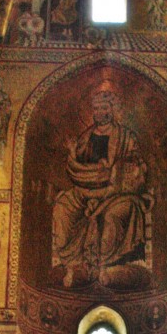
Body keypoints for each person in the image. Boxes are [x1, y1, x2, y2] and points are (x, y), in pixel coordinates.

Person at [52, 81, 149, 289]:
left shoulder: (126, 137)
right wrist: (73, 154)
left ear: (112, 110)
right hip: (86, 189)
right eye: (96, 108)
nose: (99, 112)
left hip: (116, 192)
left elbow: (135, 167)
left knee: (112, 216)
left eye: (104, 108)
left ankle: (106, 265)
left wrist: (114, 170)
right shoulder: (86, 137)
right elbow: (76, 165)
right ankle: (73, 263)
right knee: (62, 208)